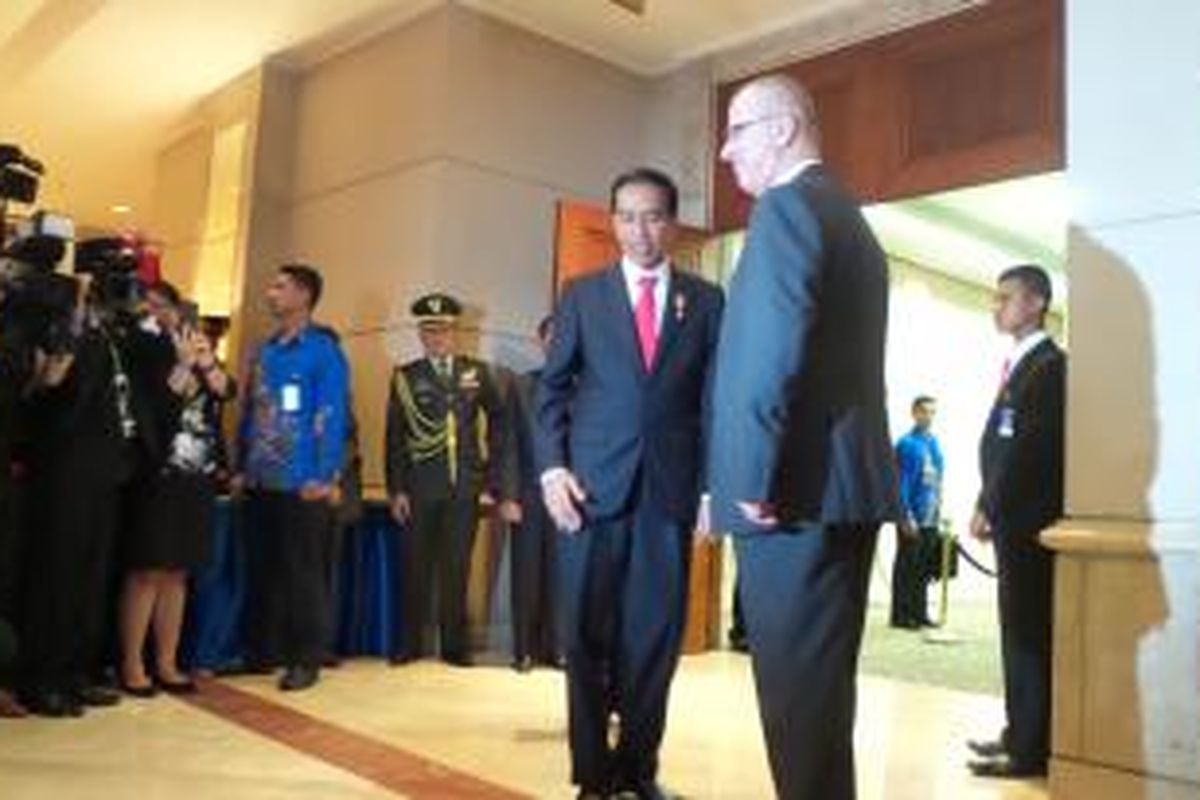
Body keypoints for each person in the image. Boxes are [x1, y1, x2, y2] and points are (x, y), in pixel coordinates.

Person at [707, 74, 899, 800]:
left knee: (798, 707)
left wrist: (751, 476)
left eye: (738, 132)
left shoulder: (787, 208)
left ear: (784, 128)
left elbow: (768, 356)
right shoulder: (844, 212)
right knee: (818, 705)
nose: (726, 153)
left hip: (792, 494)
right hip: (835, 490)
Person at [535, 167, 723, 800]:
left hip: (668, 496)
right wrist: (552, 467)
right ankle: (592, 776)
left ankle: (639, 770)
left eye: (652, 216)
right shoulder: (583, 294)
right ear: (612, 221)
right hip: (589, 495)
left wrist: (708, 490)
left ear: (671, 223)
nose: (639, 230)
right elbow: (552, 389)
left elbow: (712, 402)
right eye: (627, 216)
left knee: (654, 639)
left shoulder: (705, 301)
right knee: (585, 638)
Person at [967, 264, 1065, 779]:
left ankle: (1031, 749)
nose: (996, 306)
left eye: (1006, 297)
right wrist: (988, 502)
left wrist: (991, 503)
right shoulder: (1021, 363)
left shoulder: (1051, 368)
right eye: (995, 297)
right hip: (1012, 519)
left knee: (1027, 636)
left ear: (1036, 304)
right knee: (1016, 633)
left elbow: (1028, 453)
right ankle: (1016, 732)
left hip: (1029, 523)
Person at [235, 264, 348, 692]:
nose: (271, 292)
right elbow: (253, 411)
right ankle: (260, 652)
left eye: (279, 286)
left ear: (303, 296)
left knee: (303, 574)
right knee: (263, 569)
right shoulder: (267, 350)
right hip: (262, 477)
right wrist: (243, 465)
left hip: (303, 481)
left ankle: (306, 658)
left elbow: (331, 415)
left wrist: (324, 474)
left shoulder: (323, 351)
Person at [118, 282, 235, 697]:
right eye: (150, 307)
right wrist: (183, 364)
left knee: (178, 572)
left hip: (197, 475)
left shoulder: (195, 346)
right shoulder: (141, 351)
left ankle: (167, 662)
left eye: (165, 306)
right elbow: (157, 406)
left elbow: (226, 391)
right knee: (147, 569)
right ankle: (133, 664)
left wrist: (204, 361)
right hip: (158, 474)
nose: (159, 313)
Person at [384, 293, 506, 666]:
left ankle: (454, 646)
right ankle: (408, 643)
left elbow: (499, 424)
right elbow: (394, 438)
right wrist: (397, 489)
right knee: (415, 566)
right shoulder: (407, 377)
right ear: (421, 334)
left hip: (464, 488)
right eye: (430, 331)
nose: (437, 338)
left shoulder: (477, 373)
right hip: (420, 488)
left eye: (444, 330)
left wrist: (490, 479)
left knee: (457, 567)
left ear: (456, 332)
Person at [501, 315, 561, 672]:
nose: (556, 343)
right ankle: (523, 650)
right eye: (550, 338)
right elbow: (508, 444)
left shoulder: (586, 383)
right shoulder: (522, 385)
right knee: (526, 574)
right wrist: (508, 495)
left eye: (562, 337)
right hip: (527, 494)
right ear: (540, 343)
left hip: (570, 498)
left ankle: (558, 648)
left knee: (563, 576)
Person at [891, 394, 944, 629]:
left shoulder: (933, 442)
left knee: (923, 568)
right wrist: (905, 515)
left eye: (933, 412)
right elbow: (900, 482)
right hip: (911, 515)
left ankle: (920, 612)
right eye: (924, 412)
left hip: (930, 515)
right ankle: (902, 615)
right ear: (914, 413)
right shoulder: (906, 444)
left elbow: (937, 479)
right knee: (907, 566)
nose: (929, 417)